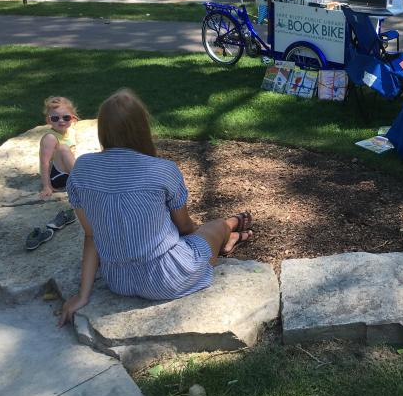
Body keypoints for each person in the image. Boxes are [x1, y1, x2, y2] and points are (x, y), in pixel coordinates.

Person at [58, 89, 254, 326]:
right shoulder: (162, 169)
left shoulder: (81, 168)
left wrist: (82, 295)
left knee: (203, 236)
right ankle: (230, 226)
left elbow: (91, 236)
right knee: (213, 227)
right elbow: (184, 226)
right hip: (168, 278)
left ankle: (229, 238)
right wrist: (202, 240)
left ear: (104, 131)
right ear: (142, 128)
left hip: (118, 280)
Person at [39, 96, 78, 198]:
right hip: (58, 177)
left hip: (69, 173)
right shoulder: (50, 138)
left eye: (66, 117)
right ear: (48, 120)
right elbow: (44, 163)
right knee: (63, 148)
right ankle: (83, 182)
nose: (61, 121)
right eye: (55, 118)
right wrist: (46, 186)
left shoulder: (71, 131)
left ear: (73, 118)